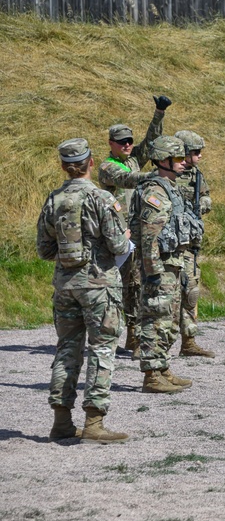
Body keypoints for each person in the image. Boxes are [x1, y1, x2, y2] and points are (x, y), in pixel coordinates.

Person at [36, 138, 131, 443]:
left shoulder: (53, 200)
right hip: (99, 285)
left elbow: (44, 250)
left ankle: (61, 421)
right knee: (103, 349)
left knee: (67, 349)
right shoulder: (101, 198)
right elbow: (118, 245)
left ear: (64, 166)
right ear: (91, 163)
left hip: (65, 285)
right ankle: (94, 421)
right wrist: (124, 235)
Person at [98, 95, 171, 356]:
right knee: (128, 285)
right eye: (122, 142)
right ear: (111, 144)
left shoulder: (130, 158)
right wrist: (156, 174)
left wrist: (159, 113)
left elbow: (150, 145)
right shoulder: (108, 166)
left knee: (138, 283)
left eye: (129, 141)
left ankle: (134, 337)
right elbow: (128, 179)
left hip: (134, 234)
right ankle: (131, 334)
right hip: (118, 237)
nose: (128, 145)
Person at [133, 135, 198, 394]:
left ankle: (162, 367)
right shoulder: (155, 191)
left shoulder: (169, 187)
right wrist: (152, 271)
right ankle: (151, 375)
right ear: (163, 160)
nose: (184, 163)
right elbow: (149, 236)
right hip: (159, 265)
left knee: (168, 318)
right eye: (179, 158)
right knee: (154, 317)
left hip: (173, 262)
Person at [173, 129, 215, 358]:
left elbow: (206, 196)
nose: (199, 156)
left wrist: (201, 206)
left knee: (191, 291)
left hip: (189, 244)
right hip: (167, 246)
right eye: (195, 152)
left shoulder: (196, 175)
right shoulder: (163, 175)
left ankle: (188, 341)